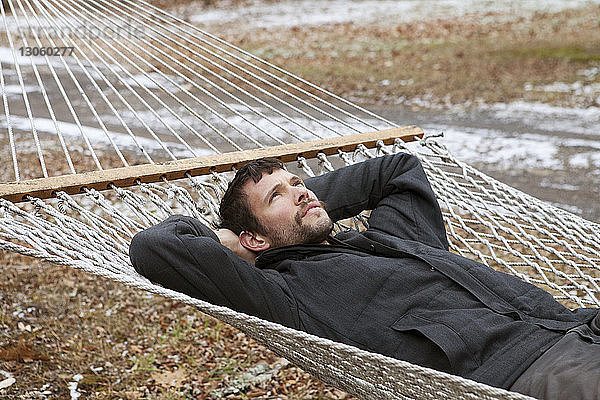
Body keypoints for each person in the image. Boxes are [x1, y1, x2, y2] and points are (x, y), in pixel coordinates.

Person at [130, 153, 600, 399]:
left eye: (299, 182)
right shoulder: (283, 293)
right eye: (277, 196)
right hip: (528, 373)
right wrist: (225, 238)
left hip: (572, 327)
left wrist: (303, 207)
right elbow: (153, 248)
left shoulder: (390, 239)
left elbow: (396, 171)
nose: (299, 192)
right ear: (254, 239)